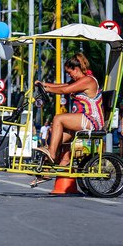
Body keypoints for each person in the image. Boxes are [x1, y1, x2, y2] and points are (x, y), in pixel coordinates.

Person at [33, 53, 103, 183]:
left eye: (70, 72)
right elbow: (63, 85)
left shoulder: (88, 80)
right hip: (81, 119)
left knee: (58, 118)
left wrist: (47, 89)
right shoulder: (78, 80)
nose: (69, 75)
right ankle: (48, 171)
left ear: (76, 69)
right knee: (54, 135)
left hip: (91, 119)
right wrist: (43, 84)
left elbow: (66, 90)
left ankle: (52, 155)